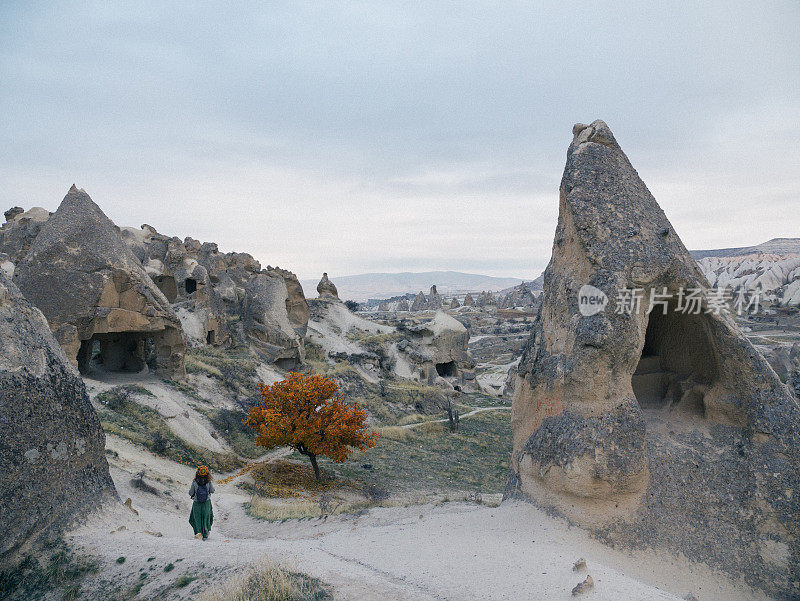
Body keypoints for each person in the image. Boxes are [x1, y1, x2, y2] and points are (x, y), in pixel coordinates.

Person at [188, 465, 214, 540]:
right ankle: (205, 534)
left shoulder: (195, 482)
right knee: (207, 517)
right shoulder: (208, 481)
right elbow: (212, 490)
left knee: (196, 518)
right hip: (207, 503)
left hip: (197, 503)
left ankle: (198, 533)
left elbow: (191, 492)